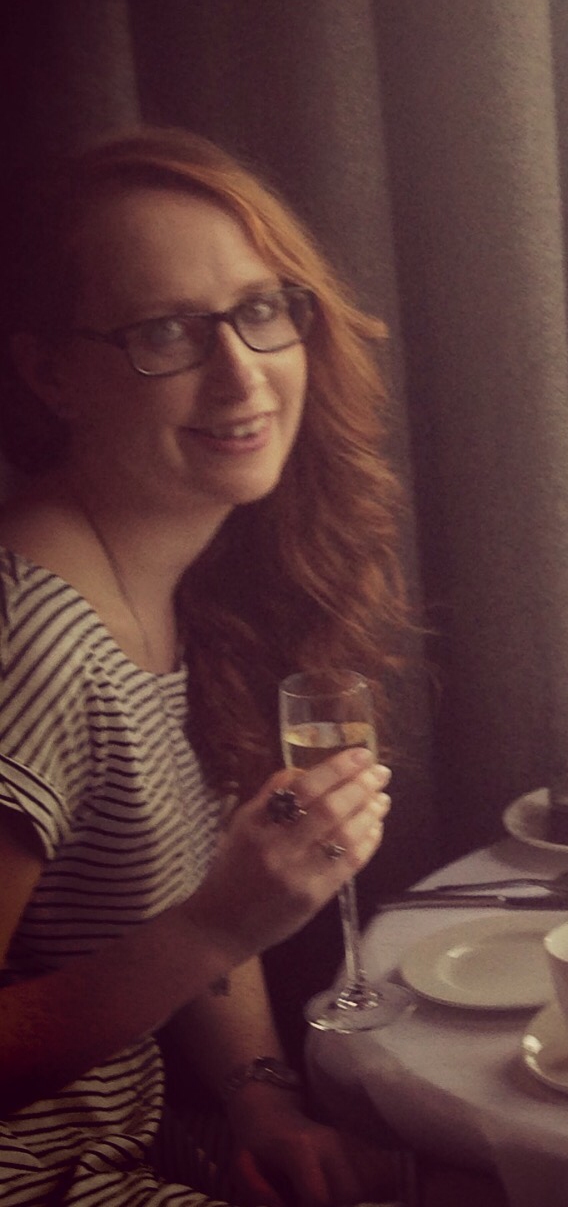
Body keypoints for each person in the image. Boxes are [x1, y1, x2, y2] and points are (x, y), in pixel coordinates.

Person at [0, 129, 414, 1205]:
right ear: (49, 374)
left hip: (133, 1143)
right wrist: (220, 925)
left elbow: (186, 888)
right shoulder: (29, 638)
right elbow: (201, 920)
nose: (240, 373)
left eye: (261, 310)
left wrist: (260, 1099)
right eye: (166, 332)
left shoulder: (178, 577)